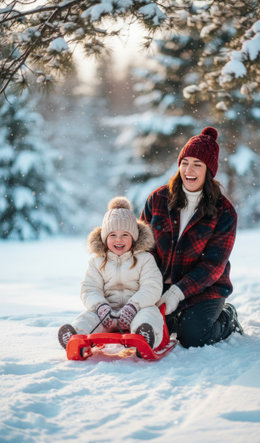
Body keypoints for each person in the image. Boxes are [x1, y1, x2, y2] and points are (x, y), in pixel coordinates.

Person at [140, 126, 244, 349]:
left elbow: (213, 265)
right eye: (185, 162)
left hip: (205, 289)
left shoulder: (224, 211)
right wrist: (150, 285)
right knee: (146, 326)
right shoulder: (157, 199)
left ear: (209, 171)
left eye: (197, 164)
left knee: (192, 336)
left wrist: (178, 292)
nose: (189, 169)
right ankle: (174, 317)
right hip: (159, 287)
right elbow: (143, 249)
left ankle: (227, 317)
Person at [58, 197, 164, 350]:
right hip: (106, 313)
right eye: (112, 235)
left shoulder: (145, 259)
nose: (118, 240)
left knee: (149, 314)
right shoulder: (97, 261)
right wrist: (100, 306)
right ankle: (76, 336)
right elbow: (89, 288)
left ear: (133, 237)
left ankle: (145, 337)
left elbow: (152, 286)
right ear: (104, 237)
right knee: (89, 317)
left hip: (137, 309)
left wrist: (133, 306)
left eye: (125, 235)